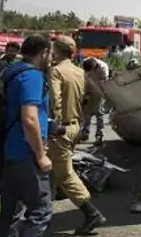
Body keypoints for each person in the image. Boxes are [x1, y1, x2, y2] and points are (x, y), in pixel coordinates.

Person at [48, 35, 106, 234]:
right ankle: (41, 214)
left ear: (57, 51)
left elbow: (55, 101)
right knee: (52, 172)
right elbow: (97, 94)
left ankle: (92, 213)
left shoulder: (55, 71)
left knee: (64, 174)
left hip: (60, 129)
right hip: (74, 127)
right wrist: (85, 114)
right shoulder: (79, 72)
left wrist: (53, 123)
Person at [0, 34, 53, 237]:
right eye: (50, 53)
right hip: (26, 153)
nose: (51, 58)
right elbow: (29, 119)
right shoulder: (32, 76)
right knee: (41, 210)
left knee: (10, 211)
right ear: (44, 52)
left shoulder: (10, 71)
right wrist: (40, 155)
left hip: (8, 150)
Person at [81, 57, 109, 145]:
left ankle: (99, 135)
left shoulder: (103, 68)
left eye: (91, 71)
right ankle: (85, 133)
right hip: (88, 87)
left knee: (99, 112)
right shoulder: (85, 62)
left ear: (94, 67)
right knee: (86, 112)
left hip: (99, 91)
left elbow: (105, 83)